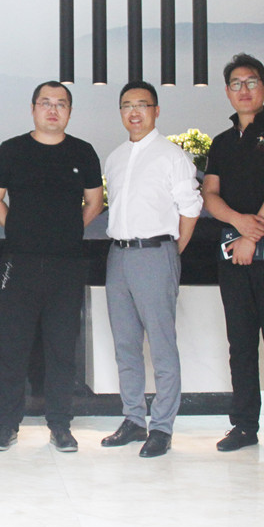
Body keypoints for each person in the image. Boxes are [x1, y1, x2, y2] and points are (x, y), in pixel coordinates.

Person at [0, 81, 104, 452]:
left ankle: (60, 426)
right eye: (46, 103)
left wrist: (68, 230)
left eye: (61, 104)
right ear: (33, 108)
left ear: (69, 111)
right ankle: (7, 426)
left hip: (67, 265)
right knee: (13, 349)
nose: (53, 110)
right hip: (18, 263)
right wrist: (19, 228)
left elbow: (95, 202)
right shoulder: (12, 150)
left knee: (62, 350)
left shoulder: (83, 152)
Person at [201, 53, 264, 460]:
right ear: (227, 92)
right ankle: (244, 425)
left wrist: (252, 233)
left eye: (251, 82)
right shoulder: (222, 142)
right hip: (233, 251)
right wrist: (239, 224)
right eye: (236, 84)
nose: (244, 90)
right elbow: (210, 194)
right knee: (240, 344)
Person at [100, 81, 203, 457]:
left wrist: (172, 251)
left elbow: (190, 208)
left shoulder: (172, 156)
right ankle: (133, 419)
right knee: (125, 344)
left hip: (156, 253)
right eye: (127, 105)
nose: (134, 112)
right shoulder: (114, 158)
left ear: (156, 110)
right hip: (118, 256)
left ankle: (161, 426)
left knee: (161, 345)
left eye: (142, 104)